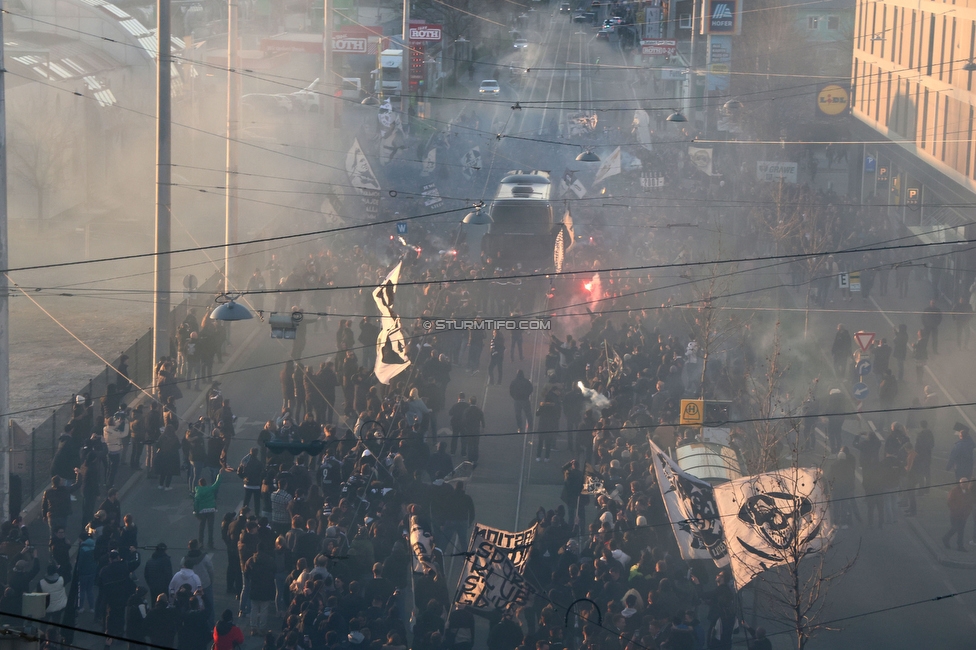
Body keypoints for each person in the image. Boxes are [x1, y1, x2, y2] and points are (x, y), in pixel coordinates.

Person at [194, 467, 235, 548]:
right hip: (211, 510)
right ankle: (210, 543)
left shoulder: (198, 491)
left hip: (202, 511)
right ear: (206, 483)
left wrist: (196, 511)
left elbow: (196, 502)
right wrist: (219, 474)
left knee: (201, 527)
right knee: (210, 527)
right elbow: (217, 483)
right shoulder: (210, 489)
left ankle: (201, 542)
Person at [943, 479, 973, 552]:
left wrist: (968, 512)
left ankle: (960, 545)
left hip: (964, 515)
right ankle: (946, 538)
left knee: (961, 531)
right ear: (960, 484)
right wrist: (955, 510)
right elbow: (950, 501)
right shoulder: (954, 491)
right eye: (963, 483)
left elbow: (970, 503)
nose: (964, 485)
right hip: (955, 514)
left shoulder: (968, 492)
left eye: (966, 484)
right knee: (955, 528)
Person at [461, 397, 485, 467]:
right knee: (476, 445)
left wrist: (464, 427)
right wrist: (483, 427)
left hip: (469, 430)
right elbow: (482, 419)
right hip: (476, 429)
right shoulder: (479, 410)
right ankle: (475, 458)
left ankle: (470, 458)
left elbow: (463, 420)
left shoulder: (467, 410)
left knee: (469, 444)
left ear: (470, 402)